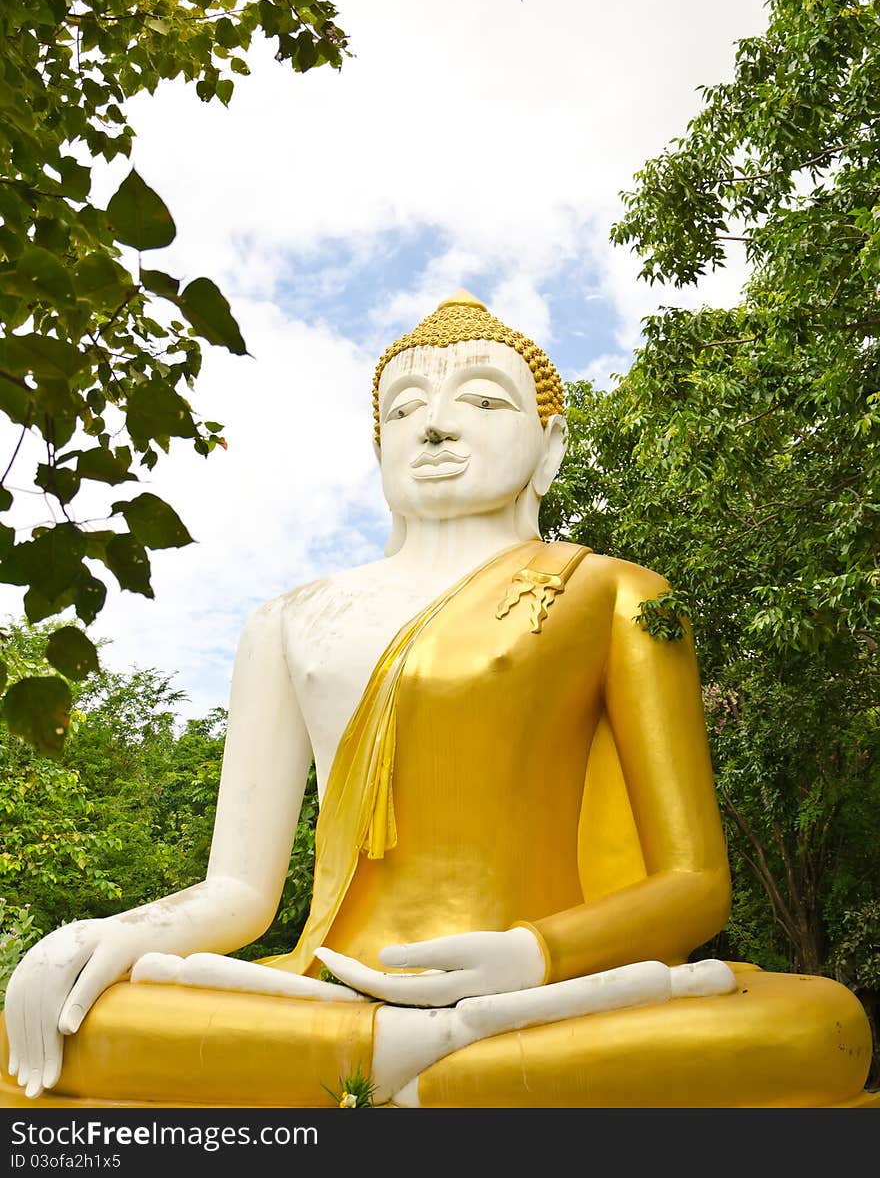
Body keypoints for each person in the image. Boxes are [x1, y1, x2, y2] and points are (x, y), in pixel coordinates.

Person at [1, 293, 875, 1109]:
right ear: (378, 445)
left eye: (486, 402)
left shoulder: (618, 594)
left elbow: (694, 884)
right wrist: (116, 931)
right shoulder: (290, 620)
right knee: (52, 1014)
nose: (437, 425)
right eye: (404, 409)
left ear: (552, 445)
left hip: (549, 988)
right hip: (332, 983)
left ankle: (393, 1063)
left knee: (817, 1025)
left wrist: (534, 954)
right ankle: (444, 1063)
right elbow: (239, 889)